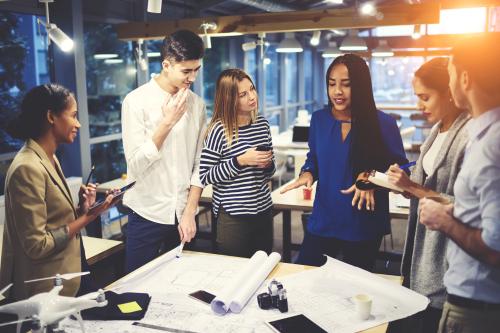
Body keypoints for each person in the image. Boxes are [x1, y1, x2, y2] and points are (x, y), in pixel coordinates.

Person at [281, 54, 407, 271]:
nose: (337, 91)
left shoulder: (383, 124)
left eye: (346, 85)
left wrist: (371, 176)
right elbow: (314, 157)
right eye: (331, 84)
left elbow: (401, 169)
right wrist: (308, 172)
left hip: (362, 223)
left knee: (353, 290)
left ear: (361, 86)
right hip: (324, 217)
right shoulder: (320, 119)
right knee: (306, 277)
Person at [0, 84, 115, 301]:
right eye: (73, 115)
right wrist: (89, 217)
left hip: (68, 275)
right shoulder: (27, 167)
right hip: (44, 292)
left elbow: (53, 221)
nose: (78, 124)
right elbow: (37, 245)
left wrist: (83, 209)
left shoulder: (50, 158)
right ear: (51, 117)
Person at [418, 34, 500, 333]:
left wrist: (445, 221)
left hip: (476, 308)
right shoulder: (485, 134)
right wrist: (456, 210)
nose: (450, 83)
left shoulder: (492, 145)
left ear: (465, 78)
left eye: (451, 73)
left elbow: (496, 250)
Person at [385, 58, 469, 333]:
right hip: (422, 250)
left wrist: (412, 187)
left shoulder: (469, 134)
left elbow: (467, 206)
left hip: (447, 256)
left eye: (425, 97)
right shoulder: (436, 131)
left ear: (450, 92)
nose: (419, 105)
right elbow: (421, 188)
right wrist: (401, 182)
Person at [121, 29, 206, 273]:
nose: (192, 78)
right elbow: (136, 165)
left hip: (183, 213)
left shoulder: (196, 104)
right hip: (147, 212)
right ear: (166, 65)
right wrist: (167, 123)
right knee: (134, 291)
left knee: (180, 289)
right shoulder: (135, 101)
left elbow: (200, 163)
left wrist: (190, 211)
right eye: (186, 71)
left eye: (196, 69)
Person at [199, 69, 275, 258]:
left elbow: (269, 172)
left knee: (263, 266)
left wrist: (267, 165)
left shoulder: (262, 124)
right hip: (233, 216)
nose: (252, 97)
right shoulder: (219, 130)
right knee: (233, 270)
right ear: (230, 99)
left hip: (264, 210)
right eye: (243, 94)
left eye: (252, 89)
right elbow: (205, 175)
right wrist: (240, 161)